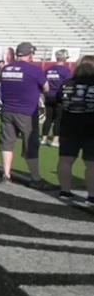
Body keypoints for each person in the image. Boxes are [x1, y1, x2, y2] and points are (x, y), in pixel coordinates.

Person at [0, 42, 48, 187]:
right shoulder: (34, 70)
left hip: (8, 109)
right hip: (27, 112)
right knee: (30, 145)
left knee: (7, 143)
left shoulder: (6, 69)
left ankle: (6, 174)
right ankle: (36, 178)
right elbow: (46, 88)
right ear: (30, 54)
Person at [56, 55, 94, 206]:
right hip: (91, 128)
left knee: (65, 159)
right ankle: (91, 196)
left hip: (68, 126)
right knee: (91, 163)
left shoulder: (67, 84)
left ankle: (65, 191)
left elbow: (59, 100)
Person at [42, 50, 73, 147]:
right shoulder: (66, 71)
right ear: (65, 58)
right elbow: (69, 84)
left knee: (48, 118)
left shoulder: (49, 70)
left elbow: (44, 83)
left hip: (48, 96)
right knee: (58, 119)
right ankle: (55, 140)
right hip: (59, 96)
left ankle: (44, 138)